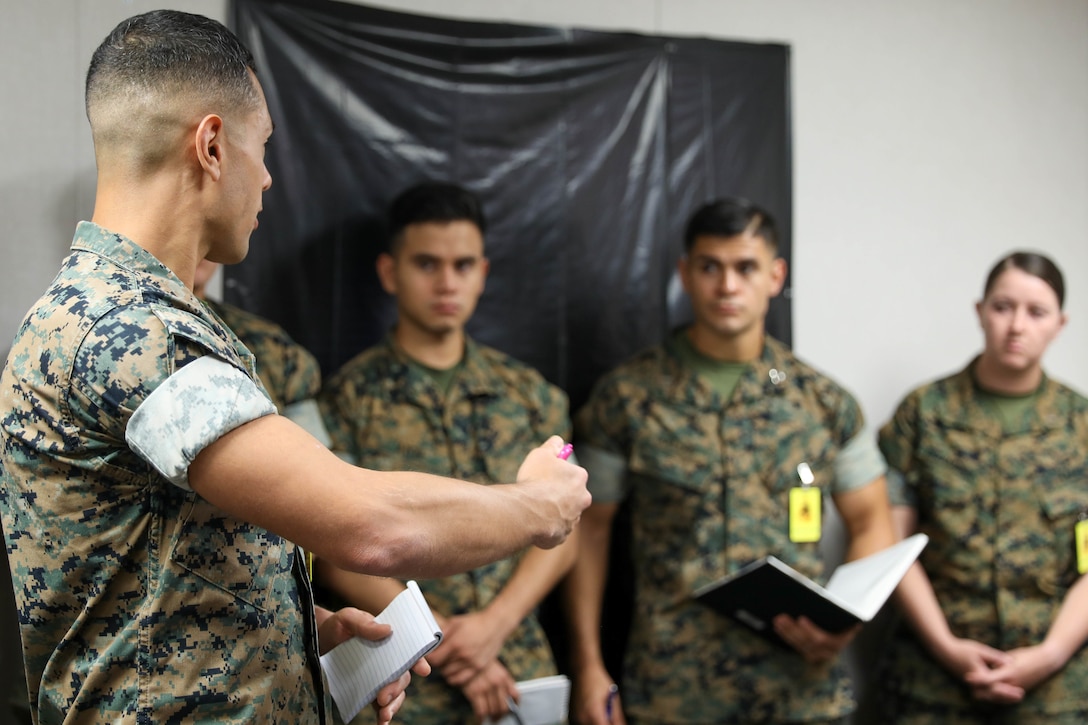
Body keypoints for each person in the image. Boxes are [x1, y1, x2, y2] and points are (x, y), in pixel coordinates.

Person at [0, 11, 589, 725]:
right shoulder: (133, 328)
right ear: (213, 145)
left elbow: (150, 564)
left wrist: (293, 637)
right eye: (263, 146)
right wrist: (537, 506)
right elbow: (369, 524)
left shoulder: (110, 310)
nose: (270, 177)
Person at [563, 197, 897, 724]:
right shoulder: (626, 398)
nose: (727, 286)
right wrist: (588, 666)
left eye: (745, 268)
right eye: (710, 267)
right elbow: (588, 533)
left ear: (775, 275)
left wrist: (843, 623)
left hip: (799, 691)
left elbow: (872, 519)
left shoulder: (823, 402)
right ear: (685, 274)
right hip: (674, 691)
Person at [317, 181, 578, 724]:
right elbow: (332, 539)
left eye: (463, 266)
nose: (446, 282)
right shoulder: (347, 400)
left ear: (482, 273)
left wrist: (492, 627)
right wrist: (435, 636)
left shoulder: (531, 396)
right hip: (404, 674)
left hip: (518, 665)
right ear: (390, 273)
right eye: (427, 264)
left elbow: (565, 525)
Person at [877, 251, 1088, 724]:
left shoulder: (1081, 425)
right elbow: (892, 546)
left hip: (1056, 692)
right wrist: (947, 648)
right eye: (1002, 307)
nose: (1017, 326)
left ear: (1060, 323)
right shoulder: (924, 414)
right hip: (931, 684)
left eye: (1036, 312)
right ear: (980, 311)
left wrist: (1050, 654)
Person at [193, 258, 331, 445]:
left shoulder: (271, 345)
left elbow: (313, 458)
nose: (197, 249)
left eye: (206, 236)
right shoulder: (144, 335)